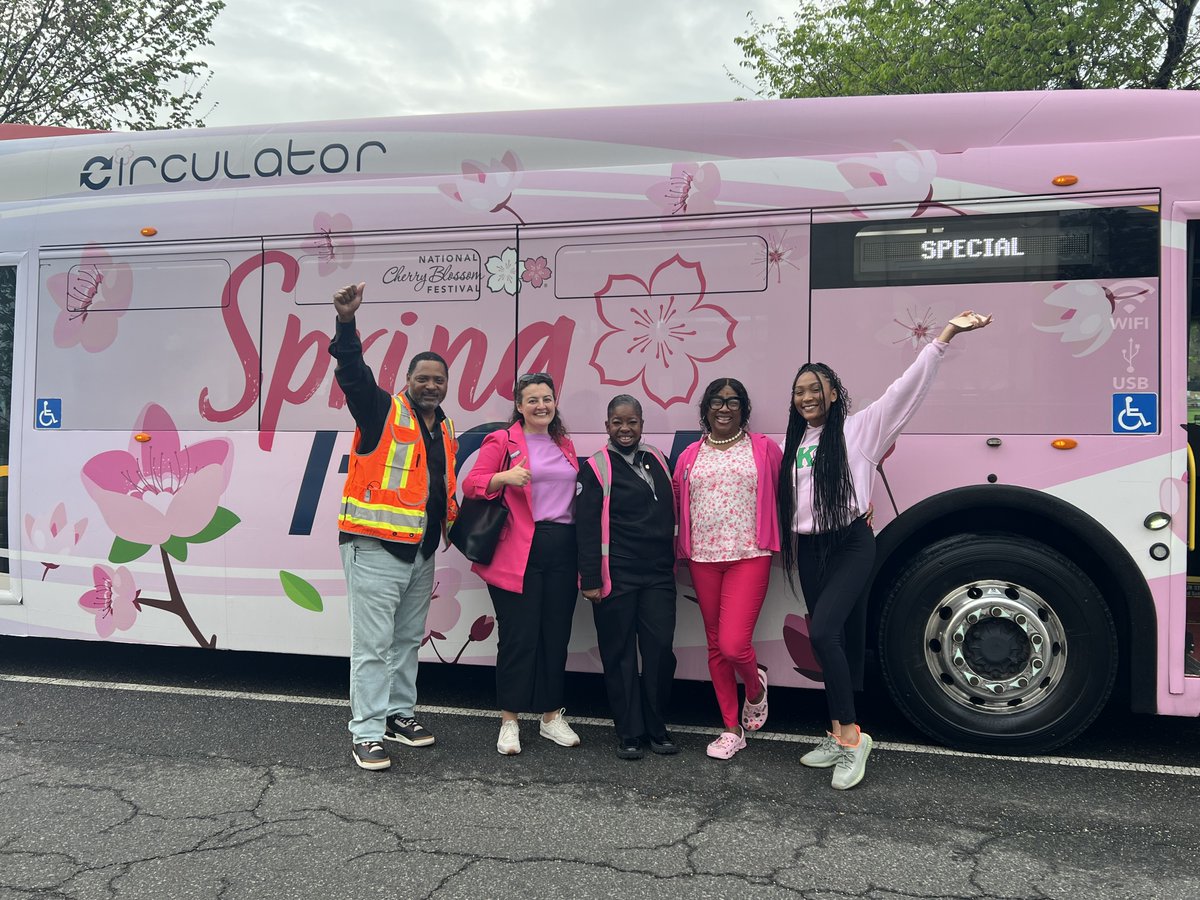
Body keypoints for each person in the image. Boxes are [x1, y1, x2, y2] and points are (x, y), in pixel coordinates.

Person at [778, 310, 993, 790]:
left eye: (816, 388)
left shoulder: (863, 428)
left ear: (834, 394)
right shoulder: (797, 444)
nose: (808, 397)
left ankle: (854, 739)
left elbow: (907, 388)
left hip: (851, 544)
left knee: (825, 634)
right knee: (836, 640)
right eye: (800, 391)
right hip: (812, 550)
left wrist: (945, 336)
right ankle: (836, 731)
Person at [330, 282, 458, 772]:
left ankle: (398, 715)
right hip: (376, 548)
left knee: (406, 640)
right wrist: (346, 323)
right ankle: (365, 732)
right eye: (423, 378)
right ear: (408, 380)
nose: (431, 385)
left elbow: (440, 490)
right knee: (372, 646)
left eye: (438, 380)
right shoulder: (381, 409)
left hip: (421, 552)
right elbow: (352, 375)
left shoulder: (443, 427)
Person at [461, 372, 582, 755]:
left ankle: (550, 717)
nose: (541, 406)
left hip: (563, 546)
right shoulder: (502, 439)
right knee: (518, 637)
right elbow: (471, 484)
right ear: (519, 405)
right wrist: (504, 477)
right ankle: (509, 721)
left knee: (555, 635)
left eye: (546, 398)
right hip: (519, 550)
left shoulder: (564, 442)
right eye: (533, 400)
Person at [673, 378, 783, 760]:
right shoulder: (690, 455)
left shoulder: (765, 449)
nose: (724, 408)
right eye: (717, 401)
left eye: (733, 402)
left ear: (743, 409)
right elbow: (673, 502)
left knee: (735, 645)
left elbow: (794, 488)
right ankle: (730, 729)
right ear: (705, 409)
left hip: (750, 554)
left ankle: (754, 687)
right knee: (716, 646)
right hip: (703, 557)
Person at [577, 395, 678, 760]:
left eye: (631, 422)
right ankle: (629, 732)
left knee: (659, 652)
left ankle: (657, 726)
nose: (625, 429)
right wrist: (590, 578)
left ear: (641, 424)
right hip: (615, 574)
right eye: (617, 422)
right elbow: (586, 528)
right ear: (607, 426)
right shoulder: (595, 468)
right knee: (619, 654)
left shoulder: (657, 460)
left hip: (658, 576)